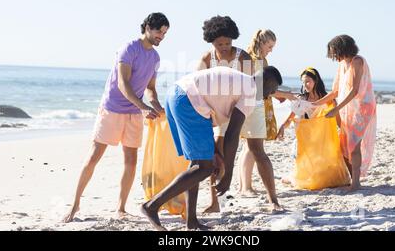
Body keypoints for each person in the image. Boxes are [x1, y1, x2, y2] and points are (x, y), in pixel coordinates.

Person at [141, 65, 283, 230]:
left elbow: (213, 110)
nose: (269, 95)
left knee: (196, 166)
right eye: (271, 90)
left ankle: (192, 221)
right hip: (189, 101)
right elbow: (232, 134)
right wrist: (228, 175)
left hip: (176, 94)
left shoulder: (240, 80)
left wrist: (215, 151)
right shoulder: (251, 91)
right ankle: (151, 206)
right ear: (264, 81)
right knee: (203, 168)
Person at [63, 12, 169, 222]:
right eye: (159, 31)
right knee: (94, 156)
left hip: (133, 113)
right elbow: (123, 83)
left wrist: (157, 107)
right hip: (112, 109)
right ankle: (75, 205)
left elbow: (150, 89)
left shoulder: (155, 57)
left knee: (130, 161)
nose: (161, 36)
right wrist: (143, 107)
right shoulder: (129, 48)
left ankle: (120, 208)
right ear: (147, 27)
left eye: (165, 33)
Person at [196, 15, 252, 213]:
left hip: (236, 110)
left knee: (226, 152)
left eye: (228, 42)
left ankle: (224, 191)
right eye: (220, 44)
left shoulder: (243, 57)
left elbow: (252, 85)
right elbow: (196, 86)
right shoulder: (206, 58)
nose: (225, 47)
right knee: (216, 155)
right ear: (212, 42)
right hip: (214, 111)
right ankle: (214, 201)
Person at [313, 35, 377, 191]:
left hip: (362, 107)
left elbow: (354, 91)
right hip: (347, 108)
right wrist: (314, 104)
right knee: (345, 145)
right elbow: (335, 91)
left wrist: (336, 109)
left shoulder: (357, 61)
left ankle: (356, 184)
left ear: (342, 48)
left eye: (335, 52)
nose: (334, 57)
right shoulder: (342, 65)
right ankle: (351, 179)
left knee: (354, 144)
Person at [237, 29, 282, 211]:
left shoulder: (262, 59)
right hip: (253, 104)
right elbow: (255, 85)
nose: (271, 50)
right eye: (269, 46)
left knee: (248, 146)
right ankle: (245, 187)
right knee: (251, 145)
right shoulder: (252, 60)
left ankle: (244, 186)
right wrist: (283, 94)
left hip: (260, 102)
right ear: (261, 42)